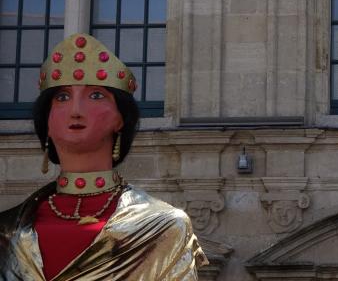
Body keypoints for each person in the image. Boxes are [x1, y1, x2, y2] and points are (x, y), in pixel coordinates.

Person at [0, 33, 208, 280]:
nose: (76, 110)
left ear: (120, 119)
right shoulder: (7, 231)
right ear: (47, 121)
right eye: (62, 97)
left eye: (96, 95)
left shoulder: (162, 226)